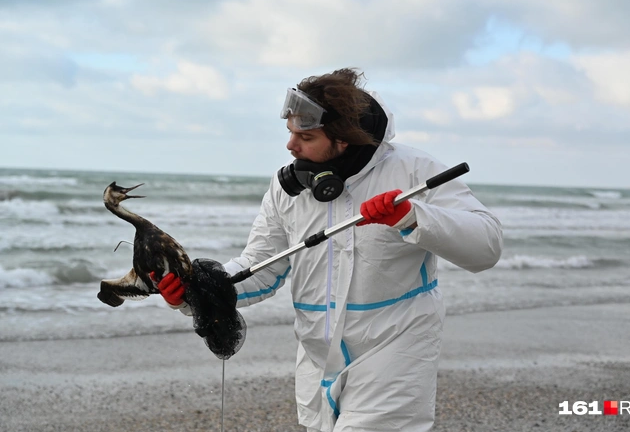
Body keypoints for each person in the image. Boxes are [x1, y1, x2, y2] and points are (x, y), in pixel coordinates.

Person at [155, 68, 503, 431]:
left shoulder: (414, 169)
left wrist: (413, 216)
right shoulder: (286, 187)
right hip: (316, 360)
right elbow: (262, 267)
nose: (291, 147)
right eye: (290, 133)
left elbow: (487, 245)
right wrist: (195, 293)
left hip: (396, 348)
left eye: (305, 136)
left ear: (344, 139)